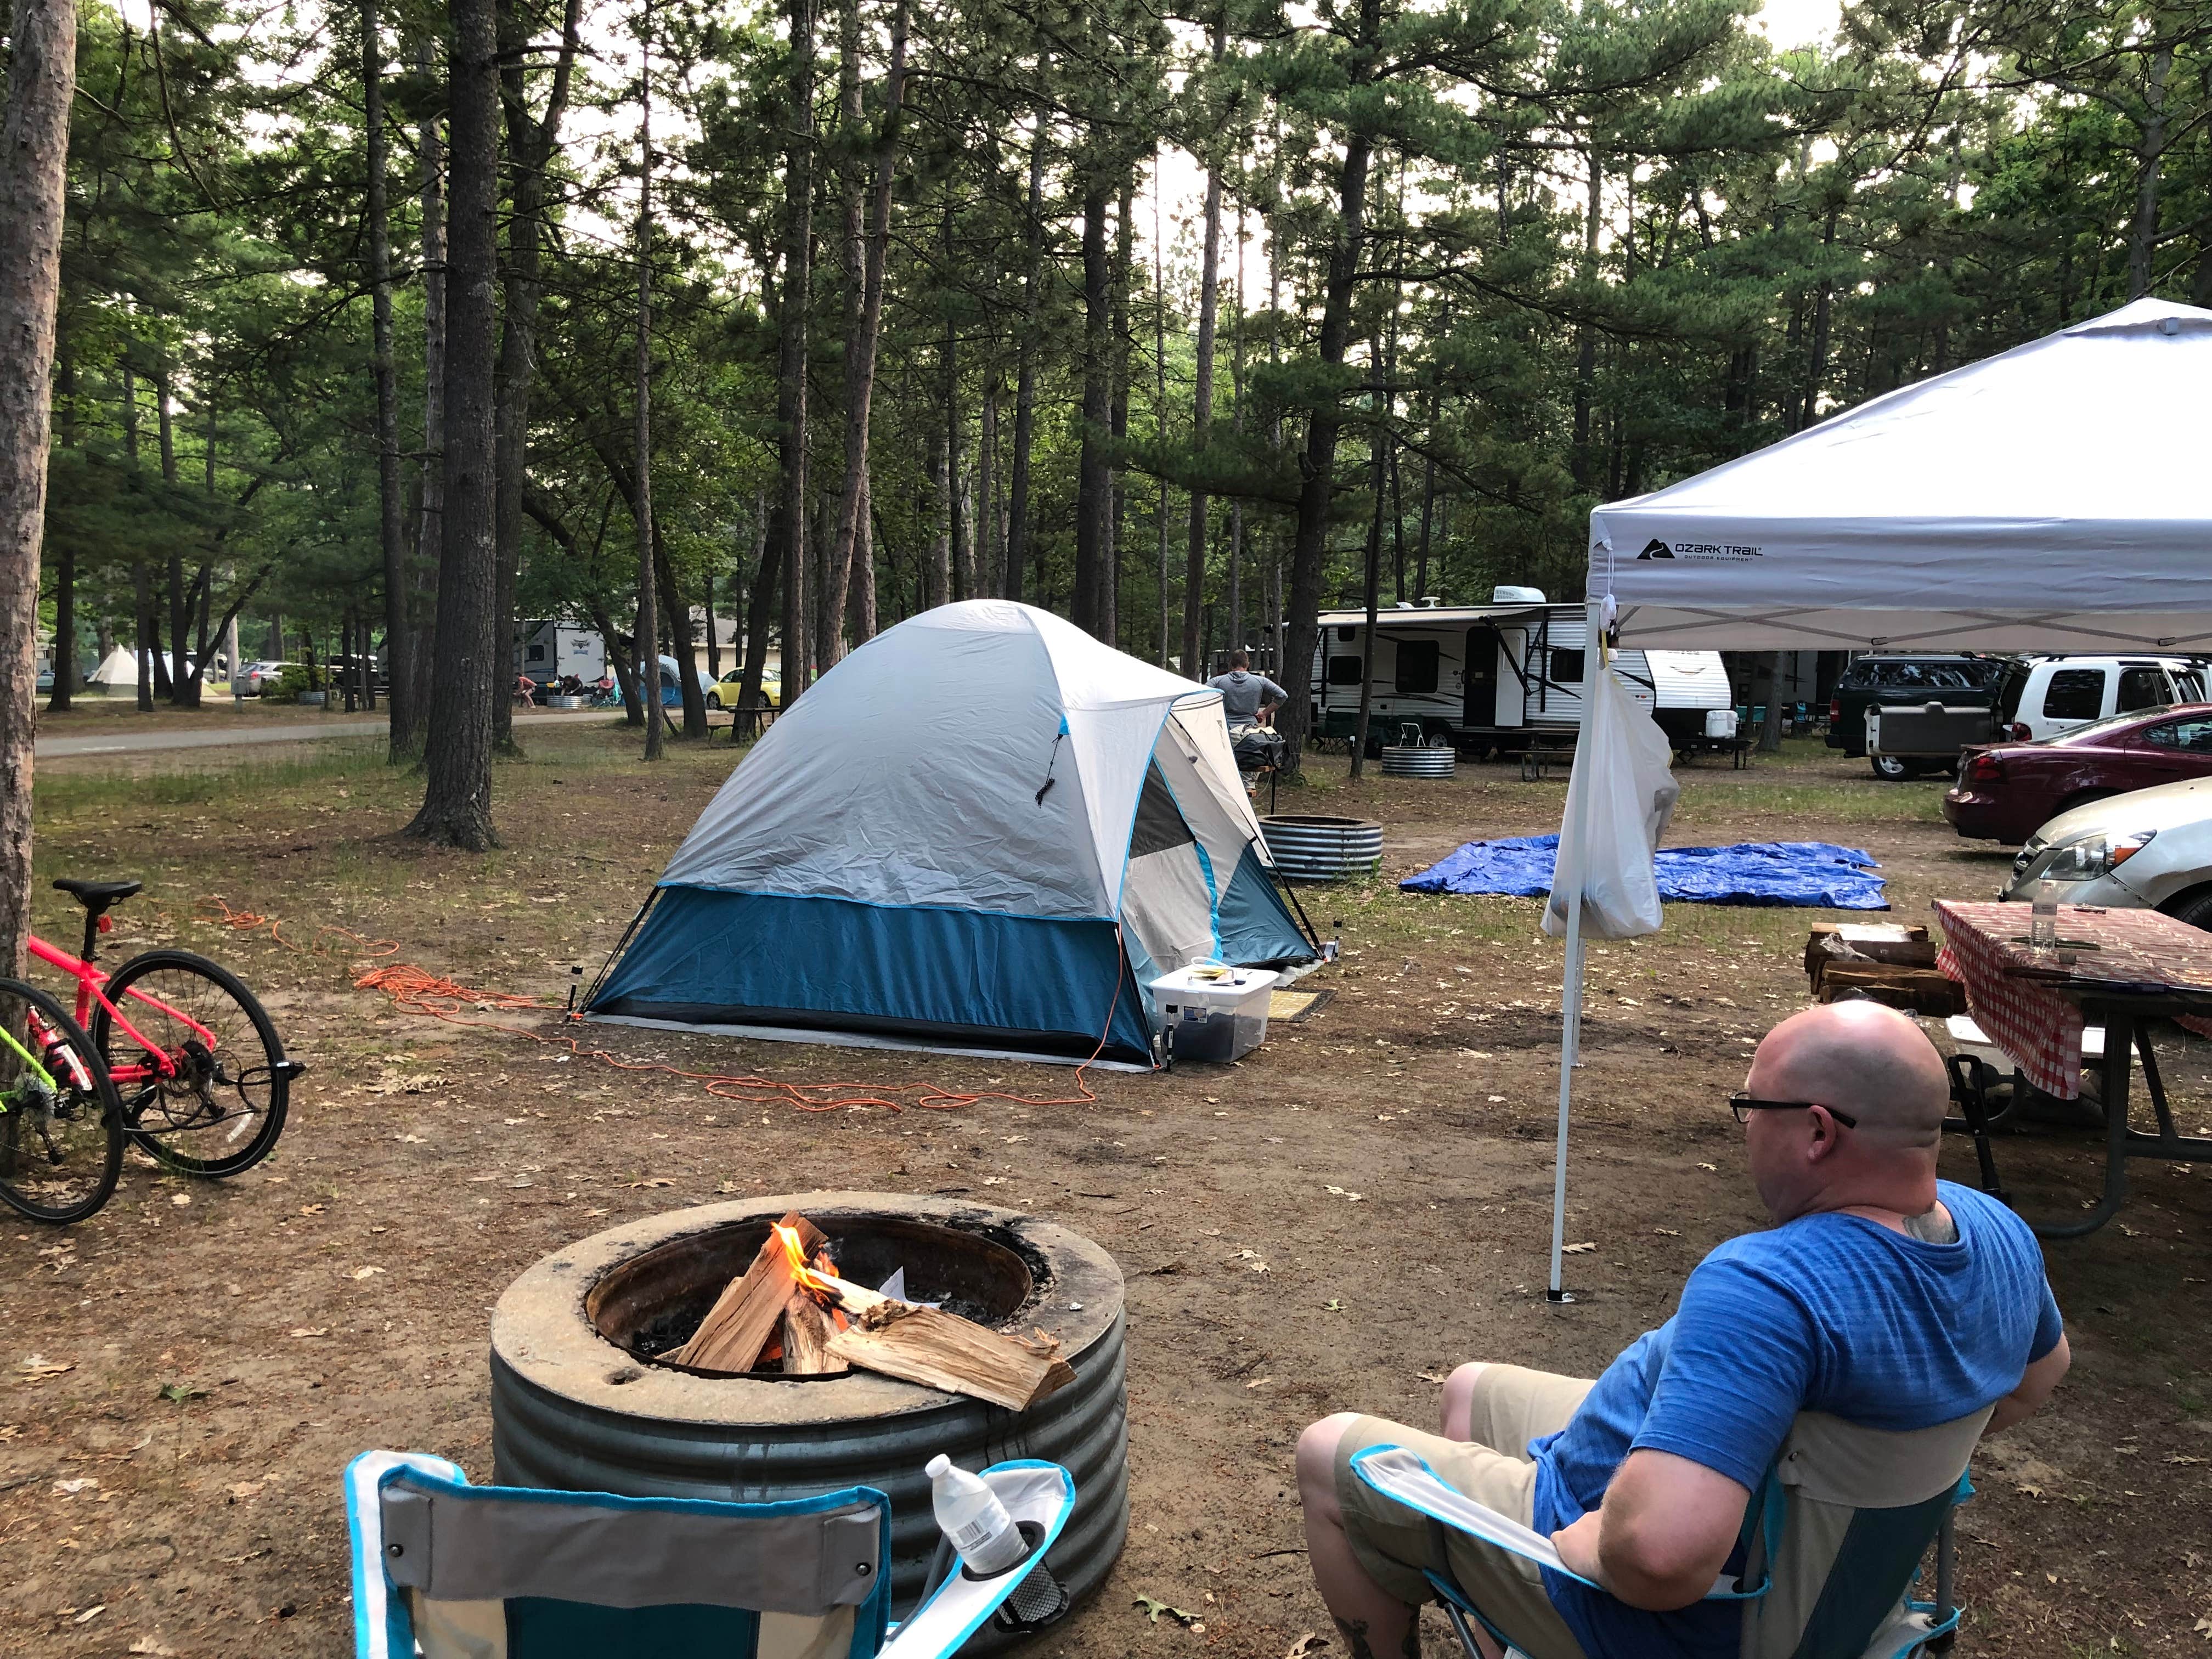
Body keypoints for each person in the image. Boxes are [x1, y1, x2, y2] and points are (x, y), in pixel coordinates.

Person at [1296, 1001, 2069, 1659]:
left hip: (1691, 1619)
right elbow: (2041, 1375)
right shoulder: (1998, 1231)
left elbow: (1662, 1559)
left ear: (1817, 1133)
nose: (1745, 1133)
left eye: (1752, 1110)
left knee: (1327, 1452)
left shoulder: (1770, 1287)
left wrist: (1586, 1544)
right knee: (1471, 1392)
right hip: (1790, 1554)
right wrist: (1826, 1473)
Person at [1207, 650, 1286, 726]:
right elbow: (1282, 695)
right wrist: (1264, 714)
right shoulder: (1260, 681)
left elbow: (1201, 694)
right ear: (1248, 665)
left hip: (1226, 729)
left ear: (1230, 664)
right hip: (1250, 729)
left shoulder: (1217, 681)